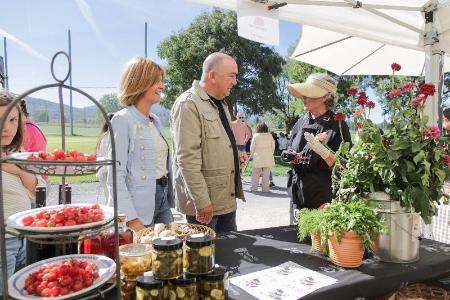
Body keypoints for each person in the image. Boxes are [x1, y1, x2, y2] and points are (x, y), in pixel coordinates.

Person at [170, 52, 245, 233]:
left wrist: (234, 154)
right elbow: (187, 159)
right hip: (205, 207)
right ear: (212, 75)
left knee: (230, 254)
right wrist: (202, 202)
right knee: (203, 258)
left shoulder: (221, 103)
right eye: (232, 76)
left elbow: (217, 142)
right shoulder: (188, 104)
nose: (235, 82)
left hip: (225, 200)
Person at [107, 57, 173, 232]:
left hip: (162, 200)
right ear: (140, 81)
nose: (162, 86)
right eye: (156, 81)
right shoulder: (122, 119)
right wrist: (131, 219)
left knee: (167, 253)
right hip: (137, 208)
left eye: (162, 81)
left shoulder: (155, 120)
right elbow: (114, 176)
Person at [0, 90, 46, 294]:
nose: (6, 128)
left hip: (25, 237)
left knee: (23, 291)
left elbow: (40, 190)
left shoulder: (18, 154)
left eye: (12, 119)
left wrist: (19, 171)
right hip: (4, 240)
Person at [286, 73, 352, 210]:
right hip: (298, 195)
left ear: (325, 96)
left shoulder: (337, 125)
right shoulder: (300, 122)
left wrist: (325, 153)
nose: (304, 98)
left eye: (309, 94)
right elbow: (290, 148)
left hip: (323, 200)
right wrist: (292, 157)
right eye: (304, 94)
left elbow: (344, 168)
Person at [250, 122, 275, 192]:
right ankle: (265, 189)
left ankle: (254, 188)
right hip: (268, 156)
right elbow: (273, 146)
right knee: (266, 174)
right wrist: (271, 153)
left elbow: (252, 147)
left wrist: (252, 154)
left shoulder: (256, 135)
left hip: (258, 157)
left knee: (255, 174)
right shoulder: (269, 135)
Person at [96, 112, 114, 203]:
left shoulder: (103, 135)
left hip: (102, 168)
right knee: (110, 196)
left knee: (107, 195)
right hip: (107, 168)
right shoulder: (111, 136)